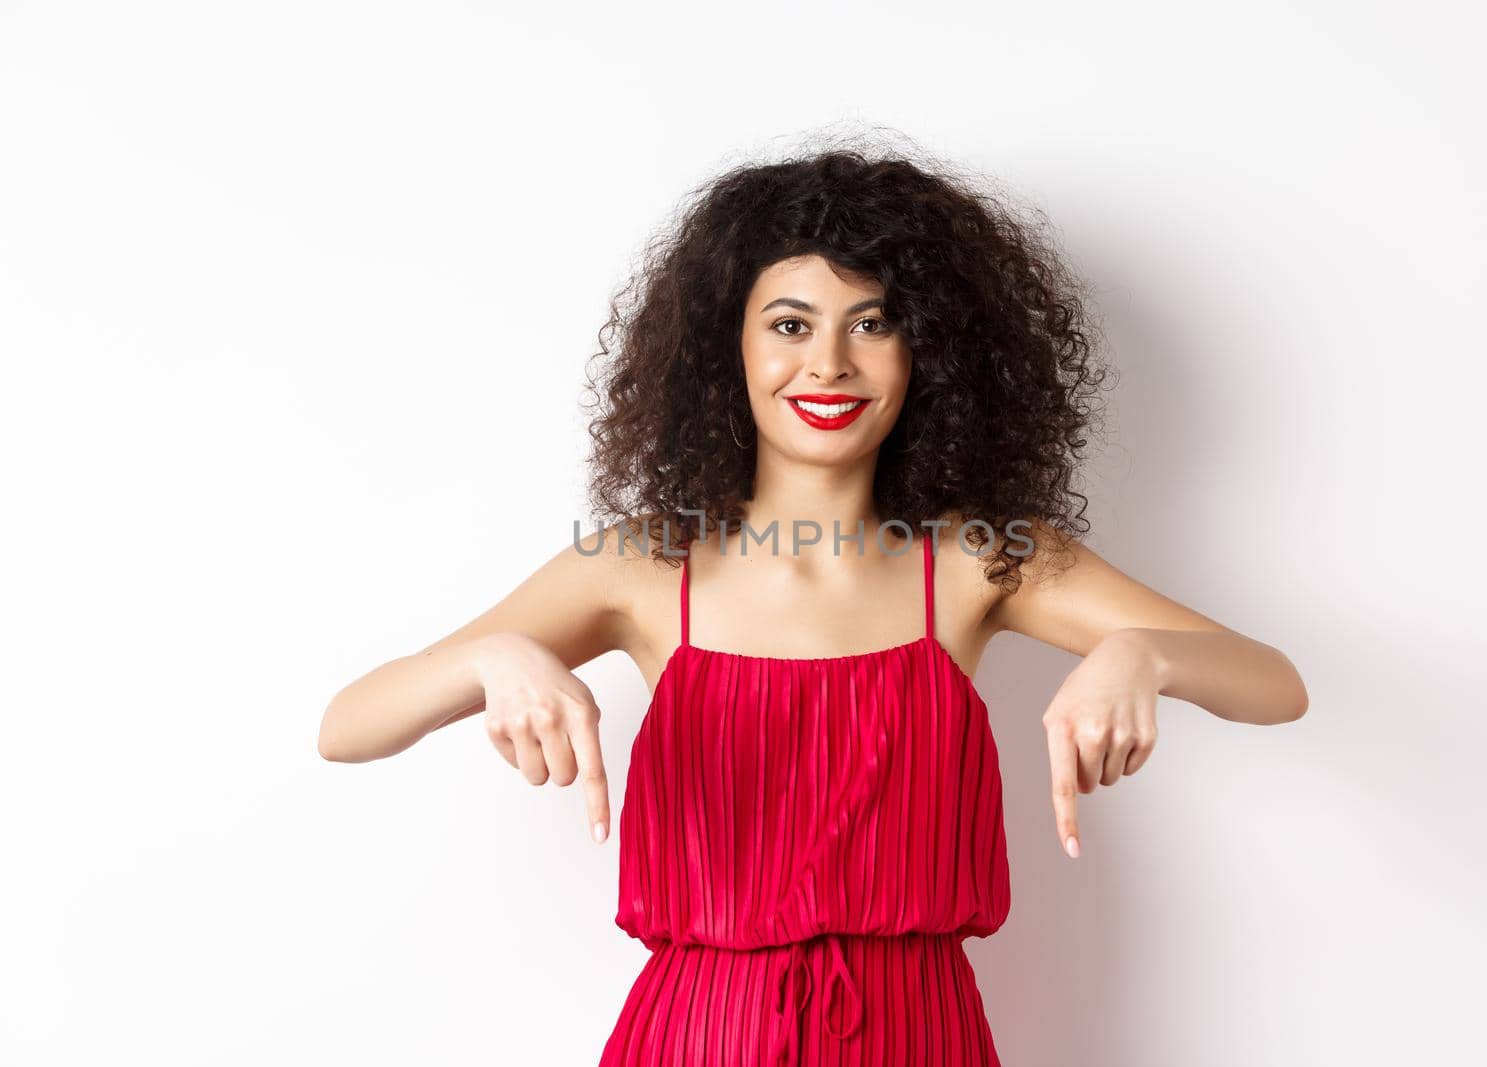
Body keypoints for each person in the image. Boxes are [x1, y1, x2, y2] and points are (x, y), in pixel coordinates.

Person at [317, 142, 1310, 1066]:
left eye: (871, 324)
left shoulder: (978, 559)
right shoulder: (639, 564)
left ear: (928, 353)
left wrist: (1141, 654)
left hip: (920, 1035)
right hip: (698, 1035)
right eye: (789, 324)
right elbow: (346, 726)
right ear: (727, 352)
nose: (828, 364)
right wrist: (493, 657)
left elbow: (1275, 683)